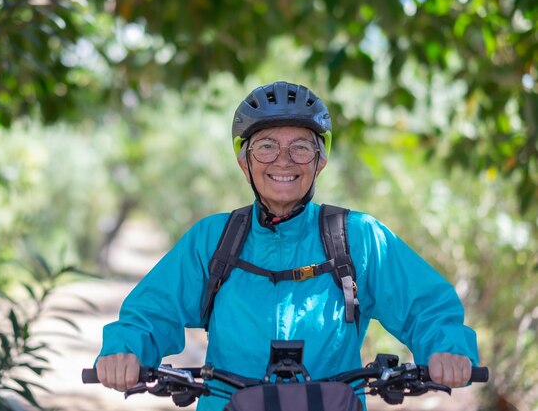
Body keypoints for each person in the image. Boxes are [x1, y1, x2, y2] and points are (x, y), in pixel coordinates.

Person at [95, 81, 479, 410]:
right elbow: (150, 312)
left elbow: (426, 307)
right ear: (244, 162)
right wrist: (125, 351)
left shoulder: (357, 237)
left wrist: (447, 349)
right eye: (265, 147)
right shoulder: (212, 239)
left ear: (320, 161)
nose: (283, 160)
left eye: (300, 147)